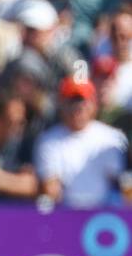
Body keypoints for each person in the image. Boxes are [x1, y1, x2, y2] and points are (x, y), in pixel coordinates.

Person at [35, 75, 128, 205]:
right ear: (61, 103)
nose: (78, 107)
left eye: (83, 101)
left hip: (106, 215)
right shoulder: (48, 140)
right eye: (72, 101)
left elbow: (120, 183)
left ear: (94, 104)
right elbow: (51, 188)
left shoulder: (112, 138)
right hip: (66, 213)